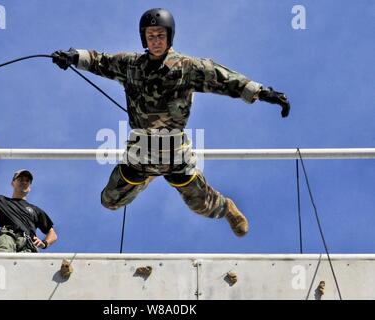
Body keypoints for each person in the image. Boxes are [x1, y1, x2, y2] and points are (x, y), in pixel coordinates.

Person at [51, 8, 290, 237]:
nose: (156, 41)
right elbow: (98, 61)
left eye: (161, 36)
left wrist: (262, 92)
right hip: (141, 149)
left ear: (170, 37)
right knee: (110, 201)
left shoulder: (188, 67)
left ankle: (227, 207)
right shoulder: (130, 65)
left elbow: (224, 78)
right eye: (151, 36)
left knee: (201, 205)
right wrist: (73, 56)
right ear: (144, 39)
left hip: (174, 150)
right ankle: (148, 175)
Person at [0, 169, 57, 252]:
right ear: (12, 183)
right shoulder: (1, 201)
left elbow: (52, 234)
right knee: (1, 261)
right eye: (20, 179)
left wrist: (44, 243)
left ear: (29, 187)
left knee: (29, 264)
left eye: (27, 181)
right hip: (7, 237)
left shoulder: (35, 210)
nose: (24, 182)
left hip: (28, 245)